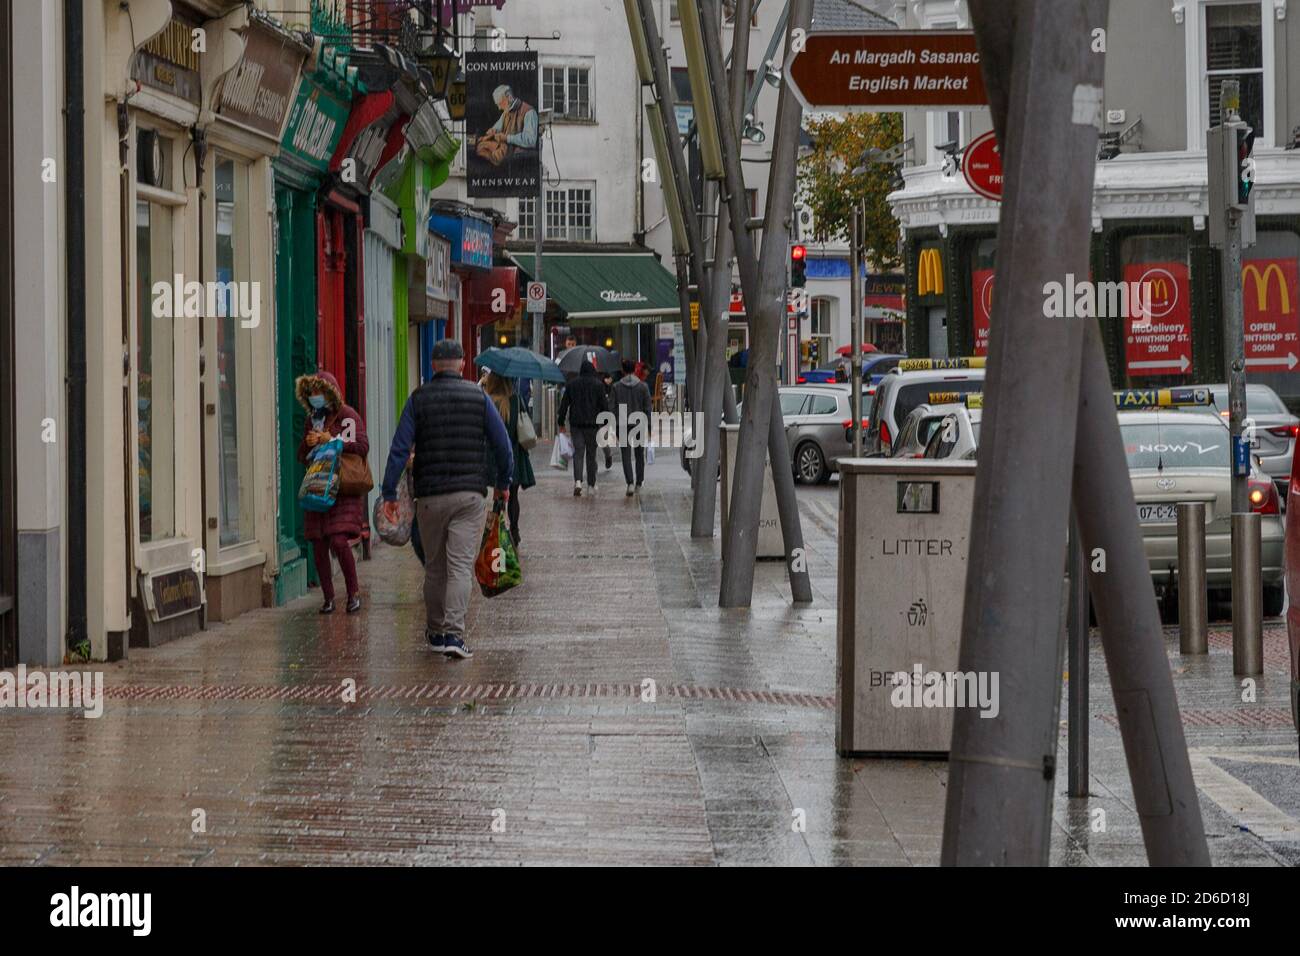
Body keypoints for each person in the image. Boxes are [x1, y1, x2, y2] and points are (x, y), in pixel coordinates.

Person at [380, 339, 513, 660]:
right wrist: (503, 484)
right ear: (463, 364)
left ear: (433, 366)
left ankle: (436, 632)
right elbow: (502, 445)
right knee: (459, 568)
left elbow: (399, 449)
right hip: (470, 496)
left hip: (430, 497)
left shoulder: (418, 400)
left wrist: (388, 494)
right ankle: (454, 634)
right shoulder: (479, 397)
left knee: (435, 568)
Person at [296, 370, 369, 614]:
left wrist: (332, 439)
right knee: (318, 543)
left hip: (343, 488)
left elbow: (362, 445)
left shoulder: (347, 416)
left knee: (338, 540)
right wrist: (307, 444)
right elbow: (300, 457)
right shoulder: (311, 420)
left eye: (319, 392)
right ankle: (328, 598)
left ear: (330, 393)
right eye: (311, 394)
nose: (315, 397)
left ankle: (353, 593)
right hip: (318, 486)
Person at [482, 370, 534, 545]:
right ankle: (515, 530)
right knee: (513, 495)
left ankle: (498, 531)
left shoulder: (488, 402)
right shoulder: (516, 400)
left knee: (498, 495)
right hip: (515, 454)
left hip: (493, 455)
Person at [557, 359, 608, 496]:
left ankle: (578, 481)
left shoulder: (572, 384)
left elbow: (564, 405)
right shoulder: (598, 385)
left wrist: (560, 422)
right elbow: (604, 406)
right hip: (593, 425)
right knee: (591, 455)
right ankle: (591, 484)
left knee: (578, 454)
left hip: (576, 424)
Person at [613, 359, 652, 496]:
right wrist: (649, 426)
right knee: (639, 454)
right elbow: (648, 408)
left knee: (625, 454)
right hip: (639, 422)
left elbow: (612, 408)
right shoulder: (643, 386)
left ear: (623, 370)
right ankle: (639, 482)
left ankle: (629, 482)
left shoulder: (616, 387)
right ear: (634, 369)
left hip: (623, 423)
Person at [474, 84, 538, 166]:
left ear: (509, 97)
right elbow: (497, 127)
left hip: (516, 150)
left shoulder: (529, 112)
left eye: (500, 103)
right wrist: (493, 131)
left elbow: (530, 140)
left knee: (491, 155)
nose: (499, 108)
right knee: (481, 146)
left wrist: (507, 138)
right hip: (504, 147)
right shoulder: (506, 111)